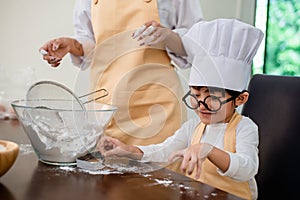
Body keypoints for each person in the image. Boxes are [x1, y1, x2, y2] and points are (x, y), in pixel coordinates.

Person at [97, 19, 264, 200]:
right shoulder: (193, 127)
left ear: (240, 98)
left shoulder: (245, 128)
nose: (202, 105)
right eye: (196, 95)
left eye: (212, 97)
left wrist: (207, 149)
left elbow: (247, 168)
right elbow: (165, 150)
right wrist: (130, 150)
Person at [39, 0, 203, 146]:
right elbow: (92, 43)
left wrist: (168, 36)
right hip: (104, 107)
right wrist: (72, 45)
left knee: (156, 176)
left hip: (157, 108)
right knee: (106, 176)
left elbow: (194, 41)